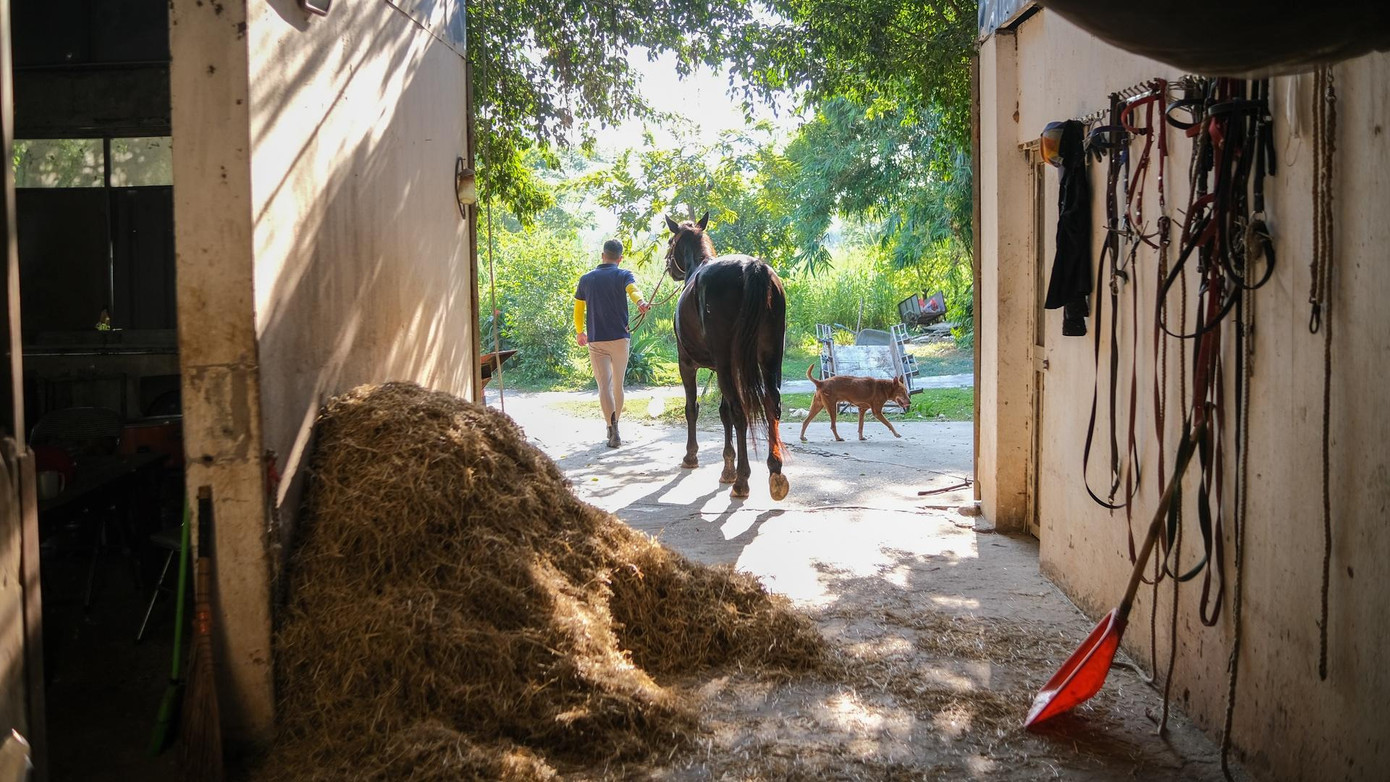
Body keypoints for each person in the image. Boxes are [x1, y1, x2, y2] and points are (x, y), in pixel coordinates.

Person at [574, 239, 651, 447]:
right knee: (618, 385)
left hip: (596, 339)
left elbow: (579, 310)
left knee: (604, 386)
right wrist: (641, 302)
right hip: (619, 338)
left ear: (602, 255)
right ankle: (617, 426)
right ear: (620, 258)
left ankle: (611, 428)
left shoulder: (586, 279)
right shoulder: (623, 274)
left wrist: (580, 332)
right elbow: (633, 290)